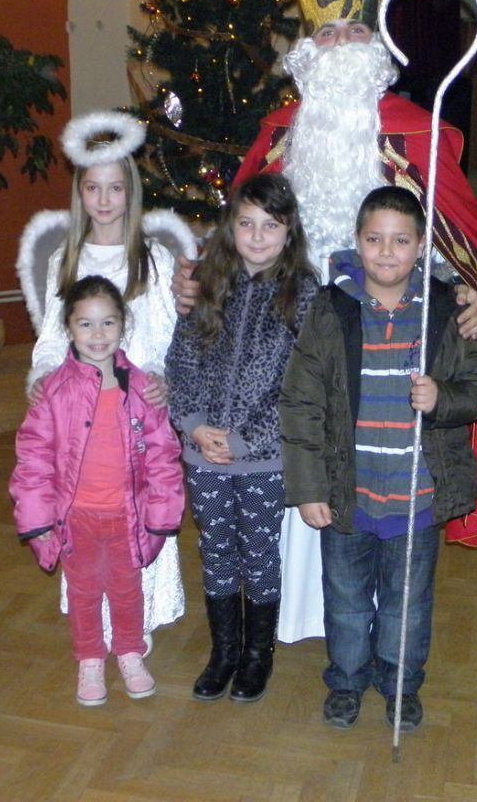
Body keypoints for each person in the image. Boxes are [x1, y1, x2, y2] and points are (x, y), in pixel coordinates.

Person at [174, 0, 477, 644]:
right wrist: (200, 278)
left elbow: (456, 240)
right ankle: (287, 616)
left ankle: (363, 625)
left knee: (370, 476)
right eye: (327, 33)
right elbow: (239, 229)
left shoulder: (416, 132)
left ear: (374, 43)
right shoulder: (279, 133)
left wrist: (466, 293)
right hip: (278, 355)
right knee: (293, 445)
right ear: (308, 47)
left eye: (354, 30)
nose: (341, 44)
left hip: (381, 353)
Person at [280, 186, 477, 731]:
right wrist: (309, 487)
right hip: (347, 495)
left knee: (408, 606)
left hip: (414, 496)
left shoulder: (447, 310)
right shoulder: (330, 309)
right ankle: (347, 680)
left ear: (421, 246)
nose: (386, 252)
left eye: (401, 241)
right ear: (357, 242)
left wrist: (443, 398)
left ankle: (401, 682)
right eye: (375, 239)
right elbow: (301, 401)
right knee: (347, 603)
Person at [17, 110, 196, 653]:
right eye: (93, 188)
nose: (103, 199)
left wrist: (158, 378)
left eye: (115, 188)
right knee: (88, 507)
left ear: (130, 192)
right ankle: (93, 625)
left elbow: (163, 336)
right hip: (82, 414)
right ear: (79, 193)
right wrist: (44, 375)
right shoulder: (67, 260)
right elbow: (54, 333)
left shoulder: (152, 259)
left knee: (136, 507)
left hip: (134, 412)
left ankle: (139, 621)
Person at [165, 172, 319, 703]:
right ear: (230, 226)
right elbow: (182, 361)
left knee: (259, 553)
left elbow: (299, 386)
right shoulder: (209, 283)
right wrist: (194, 425)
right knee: (216, 550)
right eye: (247, 223)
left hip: (262, 459)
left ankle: (257, 656)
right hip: (202, 453)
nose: (257, 236)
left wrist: (246, 439)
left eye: (270, 225)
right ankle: (224, 652)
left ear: (289, 231)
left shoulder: (304, 295)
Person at [8, 276, 186, 706]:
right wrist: (37, 520)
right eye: (85, 324)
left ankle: (130, 653)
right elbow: (33, 460)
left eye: (108, 322)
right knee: (84, 591)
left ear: (123, 325)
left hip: (127, 515)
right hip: (76, 518)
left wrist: (161, 516)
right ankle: (89, 659)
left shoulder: (143, 389)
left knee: (127, 589)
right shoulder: (53, 391)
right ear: (68, 328)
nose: (98, 334)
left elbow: (163, 455)